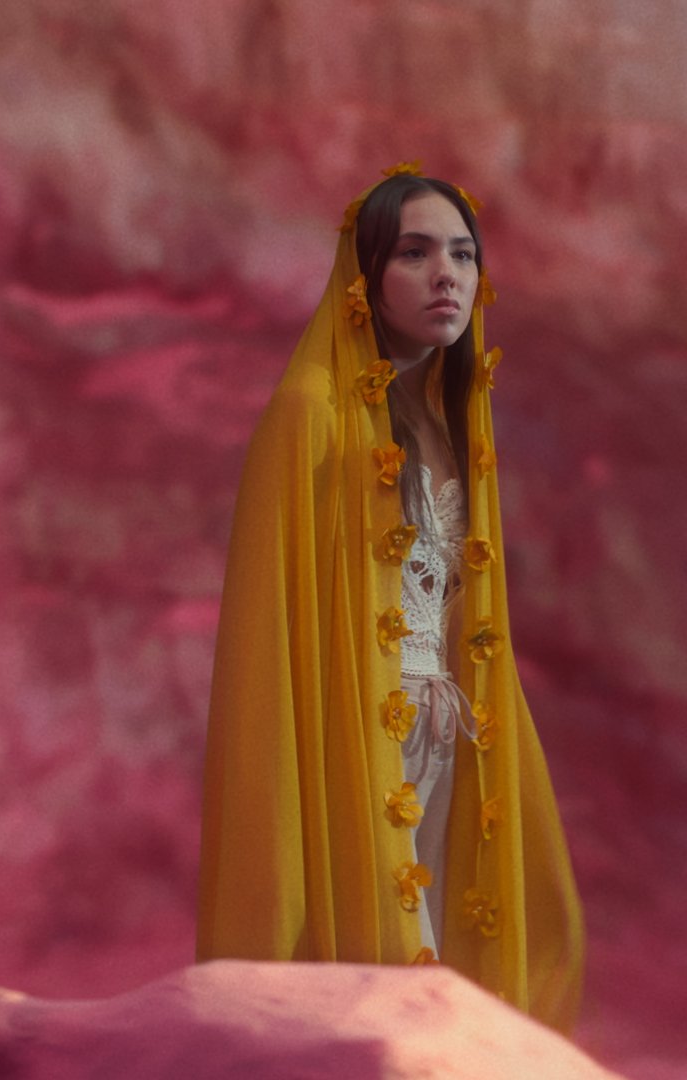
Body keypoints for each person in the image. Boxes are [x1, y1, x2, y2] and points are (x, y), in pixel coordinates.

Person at [196, 164, 584, 1034]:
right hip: (358, 742)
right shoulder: (313, 416)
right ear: (364, 278)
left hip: (448, 738)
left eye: (462, 253)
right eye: (414, 253)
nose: (447, 275)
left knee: (446, 961)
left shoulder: (453, 429)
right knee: (376, 984)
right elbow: (273, 632)